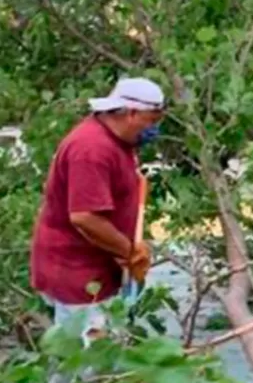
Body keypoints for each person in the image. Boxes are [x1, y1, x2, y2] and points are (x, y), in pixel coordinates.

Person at [29, 76, 164, 345]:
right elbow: (85, 217)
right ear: (132, 113)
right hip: (78, 273)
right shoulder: (91, 149)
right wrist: (129, 252)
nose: (153, 130)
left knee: (100, 351)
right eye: (151, 121)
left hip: (100, 267)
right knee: (84, 359)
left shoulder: (118, 141)